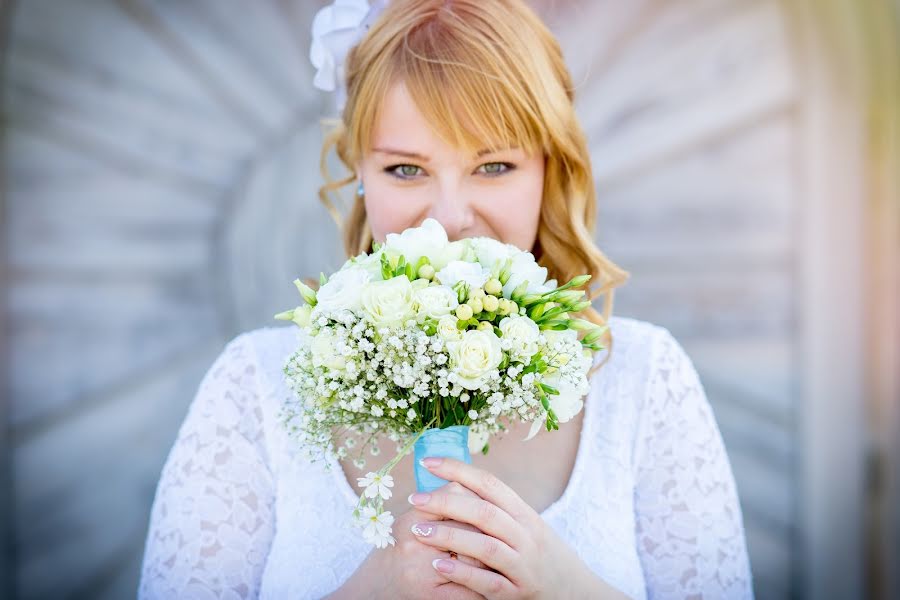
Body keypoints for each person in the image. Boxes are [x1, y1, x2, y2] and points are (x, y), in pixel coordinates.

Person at [137, 1, 755, 598]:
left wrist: (562, 590)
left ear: (549, 171)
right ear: (359, 174)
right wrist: (372, 592)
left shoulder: (644, 383)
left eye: (493, 167)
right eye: (407, 169)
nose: (450, 219)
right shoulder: (258, 387)